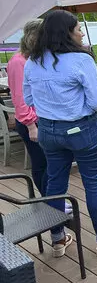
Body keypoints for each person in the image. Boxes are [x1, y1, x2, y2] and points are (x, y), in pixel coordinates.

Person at [23, 10, 97, 258]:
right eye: (78, 28)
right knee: (93, 184)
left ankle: (57, 239)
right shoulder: (81, 60)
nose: (81, 32)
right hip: (82, 129)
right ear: (66, 32)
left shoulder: (32, 61)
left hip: (48, 130)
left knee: (55, 184)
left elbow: (27, 99)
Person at [7, 19, 48, 196]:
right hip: (30, 122)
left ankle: (53, 199)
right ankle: (49, 201)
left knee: (50, 163)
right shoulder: (18, 62)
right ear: (34, 37)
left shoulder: (36, 59)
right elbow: (19, 98)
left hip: (44, 119)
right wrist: (31, 125)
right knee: (40, 163)